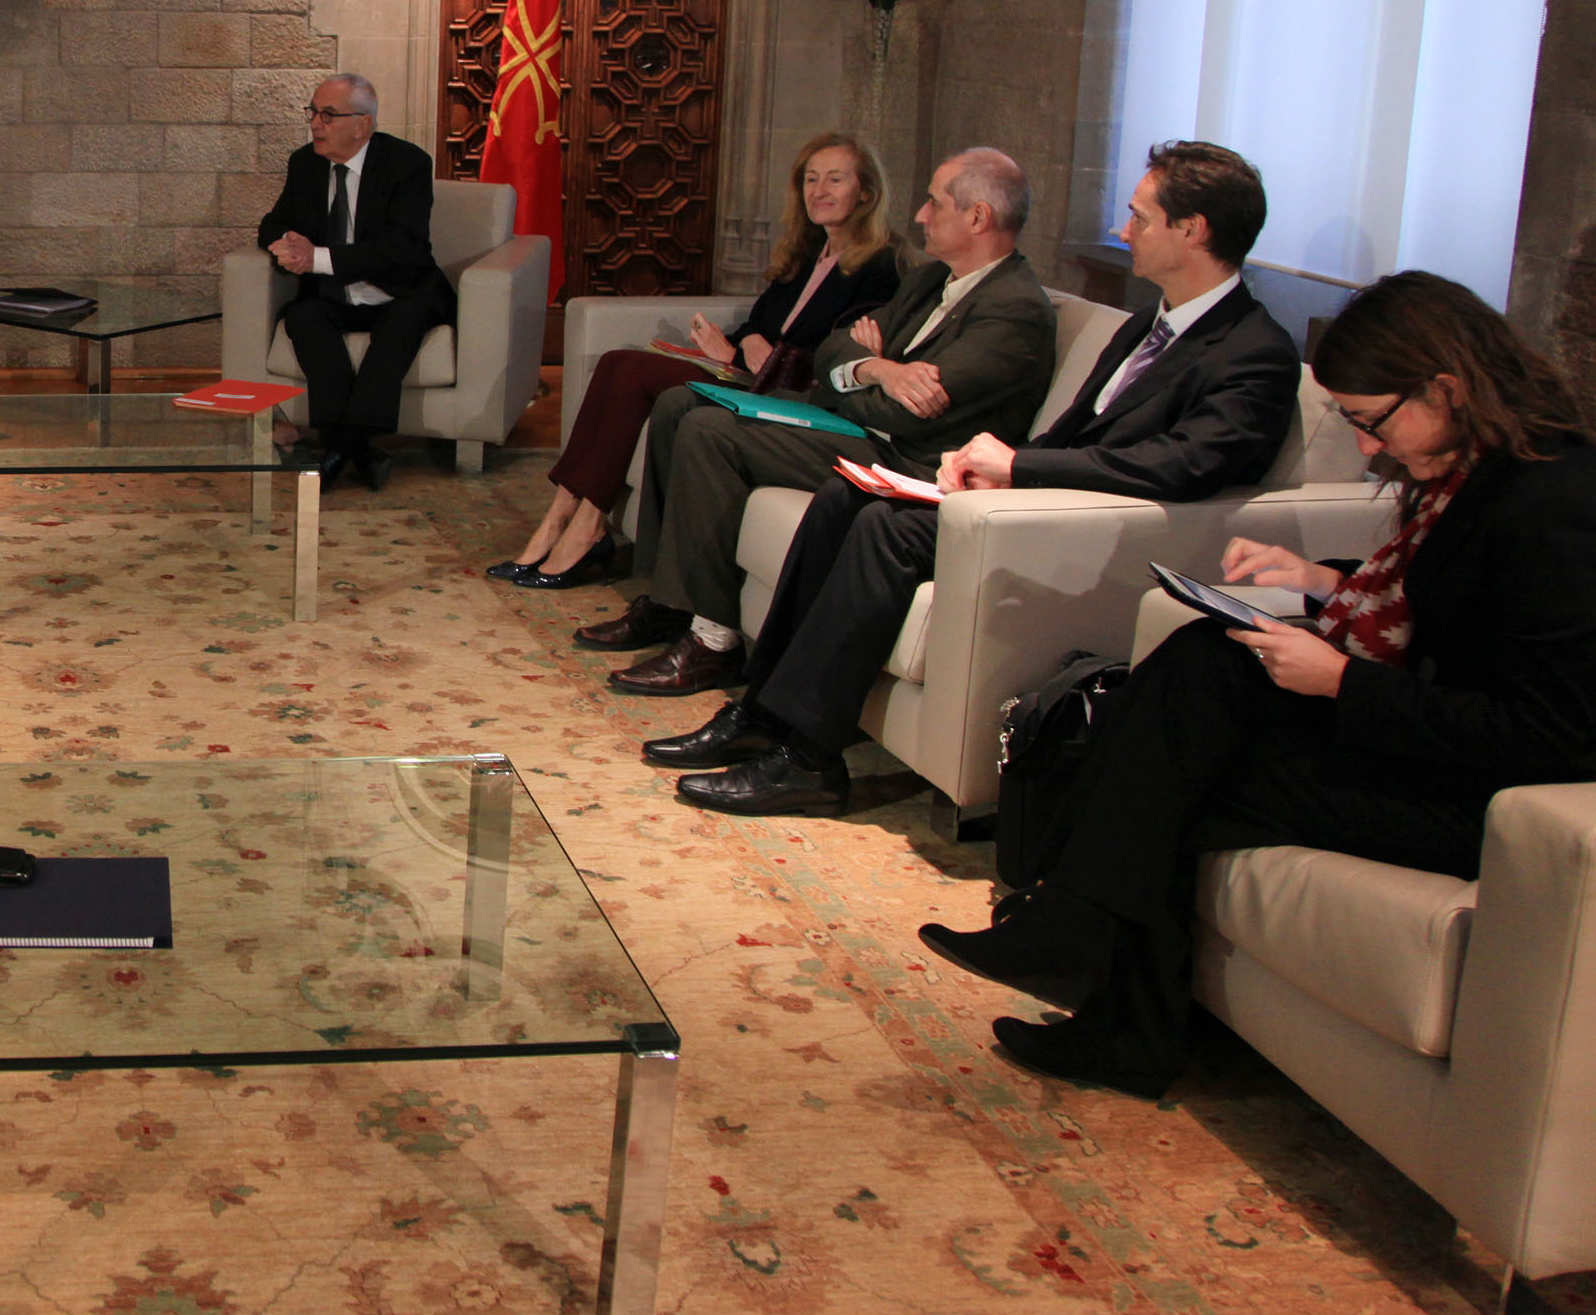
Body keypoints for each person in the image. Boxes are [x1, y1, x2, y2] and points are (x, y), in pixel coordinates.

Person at [915, 272, 1596, 1098]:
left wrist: (1342, 683)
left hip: (1494, 799)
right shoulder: (1473, 473)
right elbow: (1450, 609)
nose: (1368, 450)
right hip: (1428, 742)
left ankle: (1097, 972)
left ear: (1447, 387)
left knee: (1174, 777)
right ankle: (1084, 951)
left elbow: (1544, 731)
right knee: (1202, 659)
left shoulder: (1563, 507)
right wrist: (1325, 581)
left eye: (1372, 422)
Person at [665, 142, 1301, 814]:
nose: (1123, 231)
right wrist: (1004, 471)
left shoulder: (1254, 350)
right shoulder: (1151, 321)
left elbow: (1180, 463)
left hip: (1097, 529)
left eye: (1140, 218)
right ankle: (765, 711)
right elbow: (1078, 432)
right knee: (847, 492)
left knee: (887, 530)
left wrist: (1021, 468)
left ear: (1192, 229)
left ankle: (809, 759)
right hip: (1044, 500)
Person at [600, 147, 1057, 697]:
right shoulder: (933, 279)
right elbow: (836, 348)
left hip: (905, 459)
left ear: (978, 217)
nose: (920, 215)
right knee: (682, 404)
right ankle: (669, 603)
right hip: (865, 430)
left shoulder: (1013, 308)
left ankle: (712, 643)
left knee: (710, 432)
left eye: (935, 203)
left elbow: (907, 412)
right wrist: (878, 368)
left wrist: (851, 384)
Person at [497, 133, 904, 594]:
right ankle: (560, 516)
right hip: (748, 376)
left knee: (630, 371)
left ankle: (586, 528)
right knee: (616, 363)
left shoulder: (881, 267)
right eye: (811, 180)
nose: (820, 191)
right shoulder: (808, 253)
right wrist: (745, 342)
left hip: (792, 398)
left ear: (866, 192)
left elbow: (836, 360)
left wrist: (743, 354)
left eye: (835, 179)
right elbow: (757, 324)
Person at [254, 73, 455, 491]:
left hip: (400, 289)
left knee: (402, 324)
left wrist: (317, 258)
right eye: (313, 112)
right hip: (335, 294)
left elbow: (401, 247)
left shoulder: (408, 164)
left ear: (363, 124)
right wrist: (287, 243)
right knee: (304, 318)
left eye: (328, 115)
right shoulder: (305, 163)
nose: (315, 124)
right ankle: (360, 450)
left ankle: (338, 446)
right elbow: (272, 223)